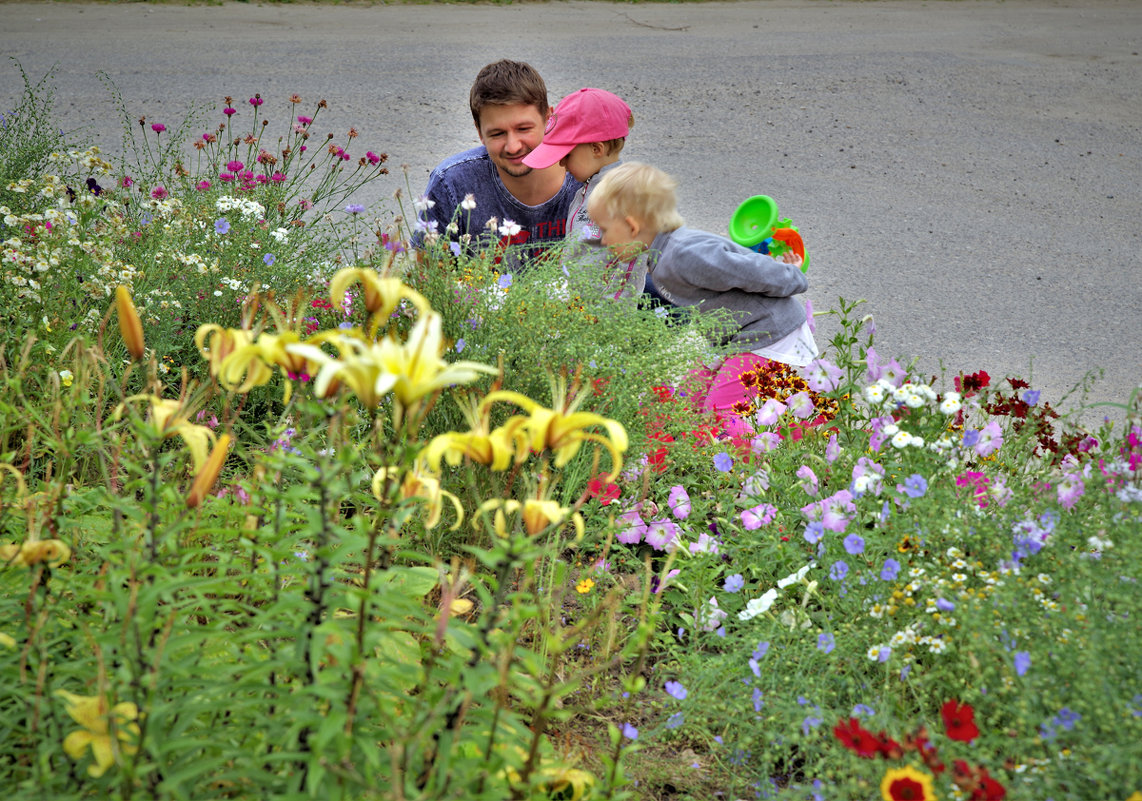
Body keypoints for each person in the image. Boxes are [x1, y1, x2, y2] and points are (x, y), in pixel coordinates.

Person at [586, 161, 819, 366]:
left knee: (717, 414)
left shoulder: (684, 254)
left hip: (767, 332)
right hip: (738, 336)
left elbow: (746, 270)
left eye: (604, 230)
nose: (604, 241)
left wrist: (791, 275)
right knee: (686, 404)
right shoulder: (662, 256)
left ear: (632, 226)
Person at [413, 59, 580, 268]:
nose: (513, 146)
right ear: (479, 132)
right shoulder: (451, 184)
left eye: (523, 129)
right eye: (497, 133)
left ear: (548, 119)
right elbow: (428, 280)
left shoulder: (587, 180)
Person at [519, 87, 639, 297]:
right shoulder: (584, 190)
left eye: (567, 154)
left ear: (596, 149)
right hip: (577, 309)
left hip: (603, 320)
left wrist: (607, 318)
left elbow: (629, 264)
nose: (562, 162)